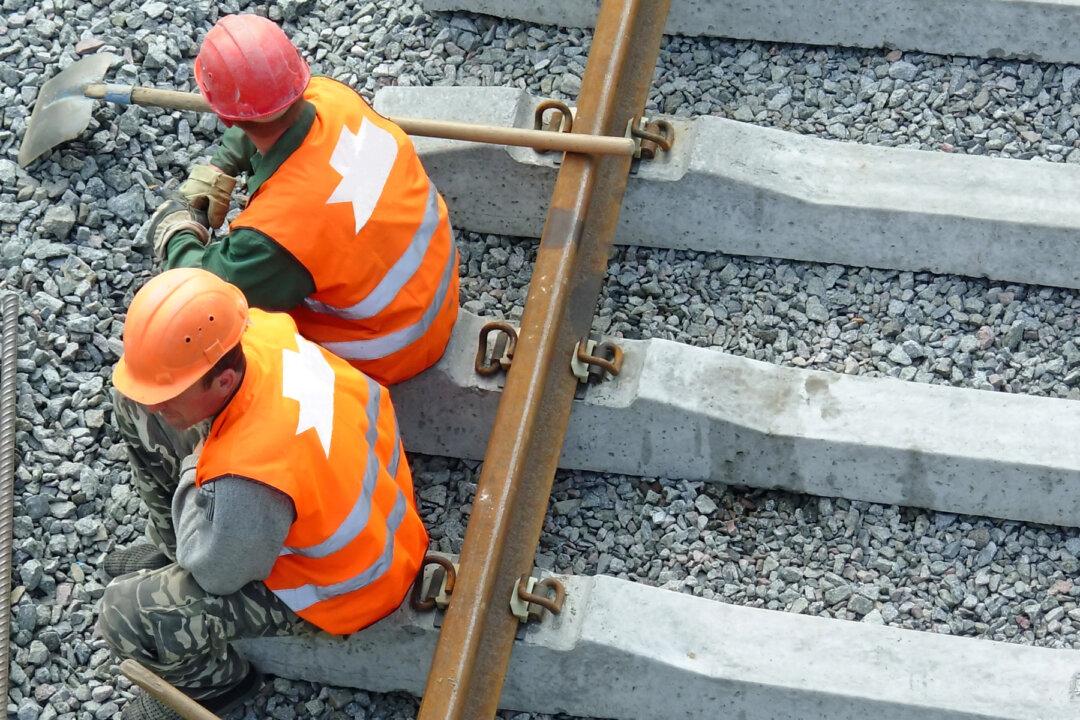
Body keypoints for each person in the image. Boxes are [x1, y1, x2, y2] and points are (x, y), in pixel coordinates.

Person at [97, 268, 429, 720]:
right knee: (132, 403)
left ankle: (214, 686)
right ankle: (169, 549)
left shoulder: (250, 479)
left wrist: (198, 462)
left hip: (347, 588)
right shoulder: (256, 335)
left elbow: (217, 575)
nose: (158, 404)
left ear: (223, 382)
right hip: (358, 511)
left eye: (171, 394)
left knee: (125, 614)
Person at [146, 13, 459, 386]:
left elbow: (208, 291)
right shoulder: (333, 96)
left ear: (225, 117)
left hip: (389, 352)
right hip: (436, 296)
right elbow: (269, 117)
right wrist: (221, 166)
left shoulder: (278, 232)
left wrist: (177, 233)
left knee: (215, 351)